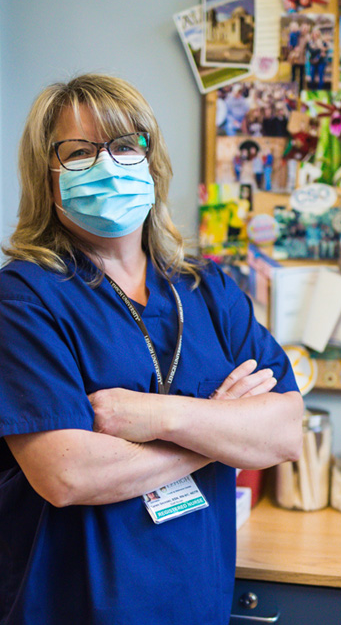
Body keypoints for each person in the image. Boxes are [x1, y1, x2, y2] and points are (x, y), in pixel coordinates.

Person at [0, 74, 303, 624]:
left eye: (123, 146)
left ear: (151, 162)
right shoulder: (23, 298)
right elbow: (67, 474)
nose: (107, 165)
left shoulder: (207, 288)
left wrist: (150, 415)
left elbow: (284, 431)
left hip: (194, 602)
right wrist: (224, 430)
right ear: (46, 179)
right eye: (79, 153)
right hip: (76, 608)